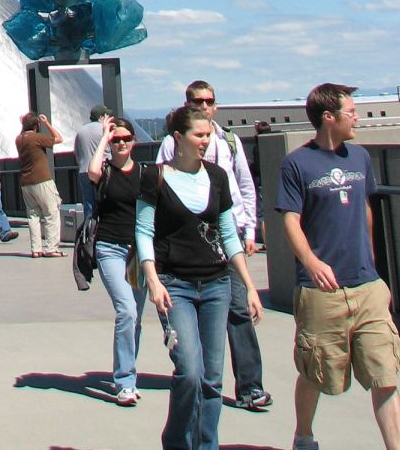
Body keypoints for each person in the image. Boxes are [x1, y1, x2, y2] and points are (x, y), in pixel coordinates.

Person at [276, 83, 400, 450]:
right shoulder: (296, 164)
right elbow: (289, 219)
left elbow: (366, 209)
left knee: (385, 374)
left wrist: (373, 267)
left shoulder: (360, 157)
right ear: (328, 118)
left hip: (367, 288)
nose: (357, 118)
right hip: (321, 292)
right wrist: (311, 261)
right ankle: (304, 435)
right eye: (351, 112)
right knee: (316, 372)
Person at [138, 103, 264, 450]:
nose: (206, 141)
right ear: (178, 137)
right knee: (189, 372)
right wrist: (152, 279)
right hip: (174, 285)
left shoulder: (217, 177)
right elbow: (143, 230)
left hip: (216, 284)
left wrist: (249, 286)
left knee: (212, 378)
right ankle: (178, 442)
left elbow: (227, 234)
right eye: (199, 135)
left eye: (208, 135)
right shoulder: (155, 177)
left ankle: (206, 444)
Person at [156, 79, 271, 412]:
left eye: (209, 101)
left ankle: (250, 386)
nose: (204, 106)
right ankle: (198, 378)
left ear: (216, 105)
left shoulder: (229, 142)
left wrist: (248, 228)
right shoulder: (171, 144)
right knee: (205, 313)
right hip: (190, 242)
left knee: (238, 309)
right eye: (197, 101)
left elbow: (244, 186)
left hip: (226, 234)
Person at [88, 114, 147, 406]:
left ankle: (127, 377)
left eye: (126, 139)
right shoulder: (106, 171)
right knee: (127, 311)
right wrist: (104, 138)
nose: (122, 143)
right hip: (109, 248)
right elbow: (92, 171)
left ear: (134, 141)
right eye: (117, 139)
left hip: (138, 253)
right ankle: (124, 381)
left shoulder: (146, 174)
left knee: (134, 318)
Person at [15, 111, 64, 257]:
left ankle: (36, 249)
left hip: (26, 182)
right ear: (36, 125)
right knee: (51, 213)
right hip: (42, 179)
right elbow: (59, 139)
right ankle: (51, 248)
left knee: (33, 216)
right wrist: (47, 123)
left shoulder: (19, 139)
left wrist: (23, 124)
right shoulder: (37, 138)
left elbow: (23, 133)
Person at [74, 104, 113, 219]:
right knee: (106, 203)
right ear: (101, 117)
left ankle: (89, 232)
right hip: (102, 171)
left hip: (83, 171)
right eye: (107, 115)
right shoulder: (105, 130)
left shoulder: (80, 131)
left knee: (89, 205)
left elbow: (77, 155)